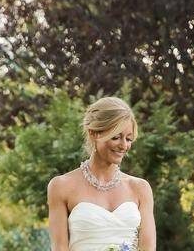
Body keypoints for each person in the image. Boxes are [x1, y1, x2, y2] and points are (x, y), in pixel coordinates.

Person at [47, 97, 157, 251]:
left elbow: (148, 249)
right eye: (116, 137)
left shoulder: (140, 189)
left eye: (129, 138)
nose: (124, 145)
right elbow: (59, 248)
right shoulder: (61, 186)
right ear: (93, 133)